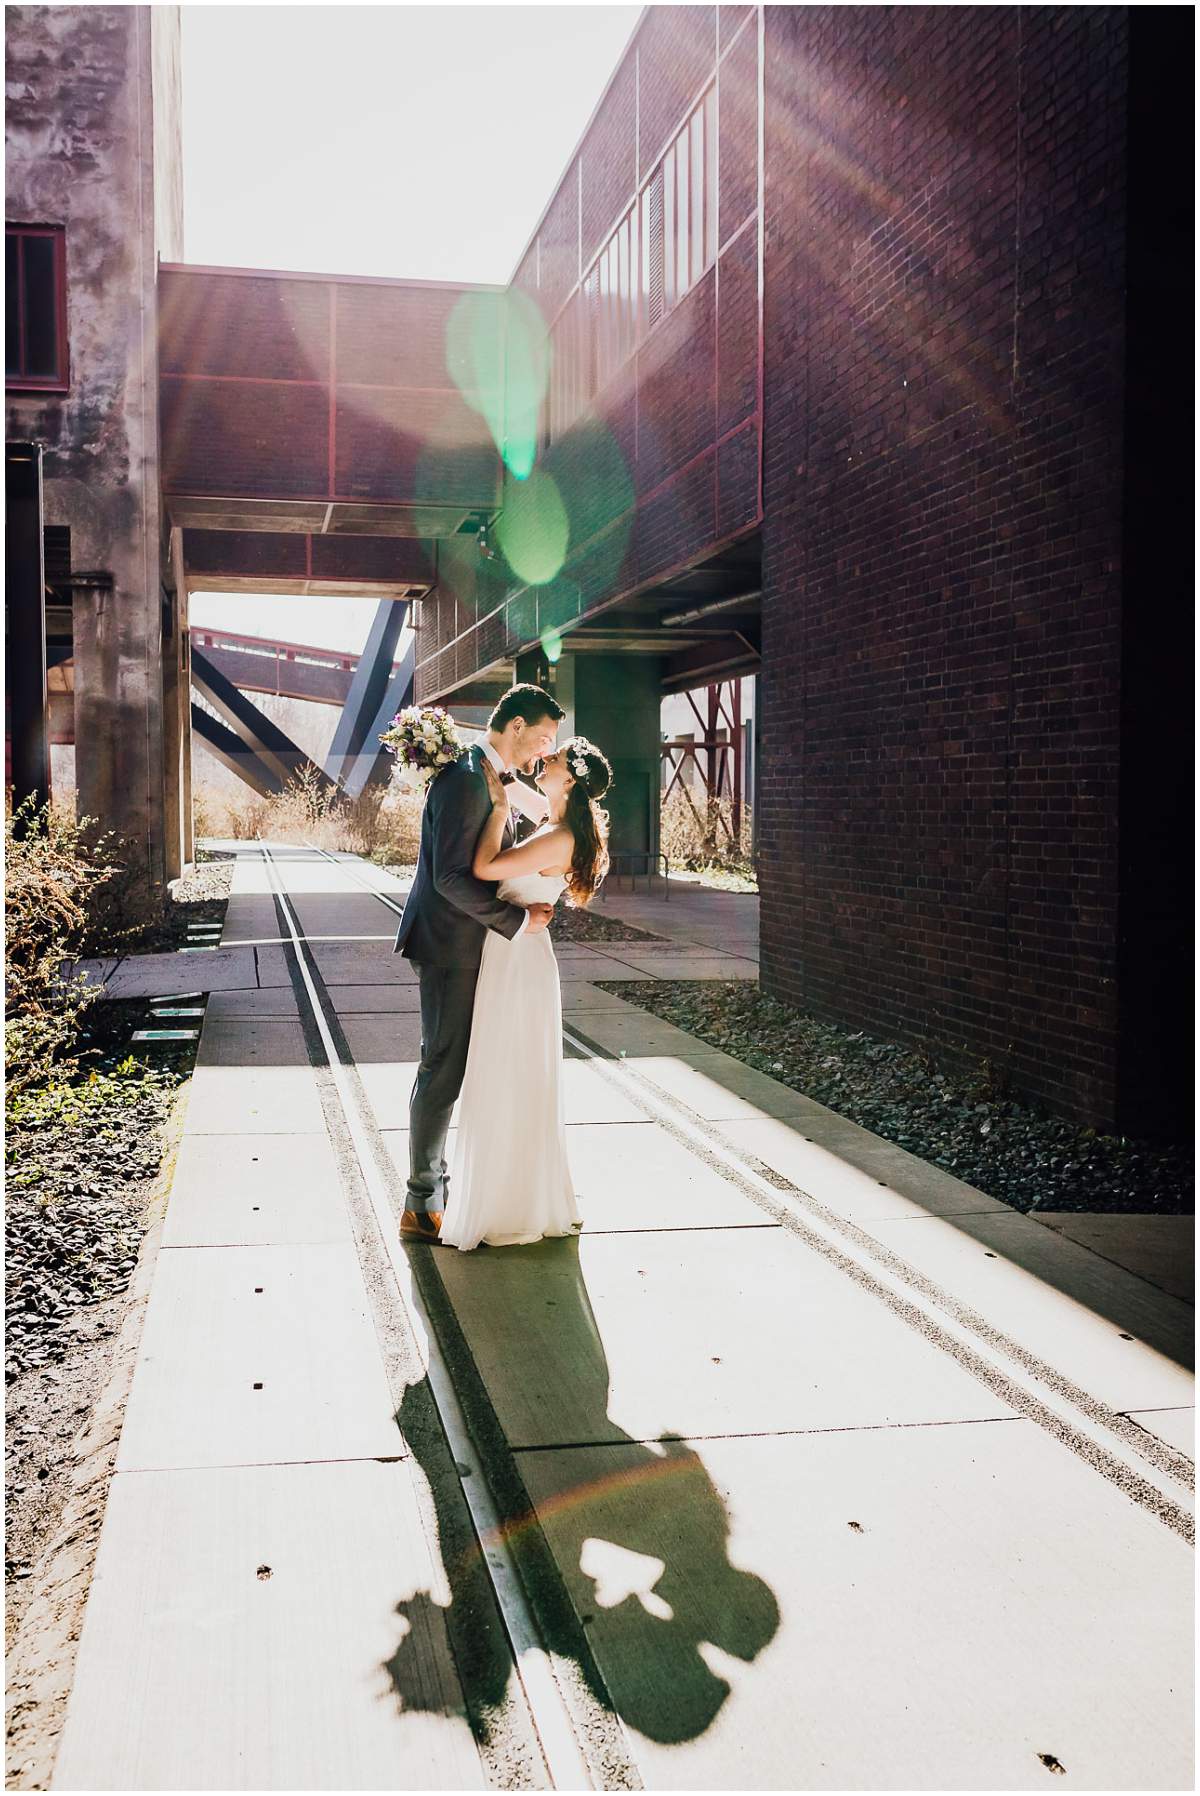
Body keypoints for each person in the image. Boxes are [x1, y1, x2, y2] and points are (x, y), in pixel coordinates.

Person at [393, 683, 565, 1240]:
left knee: (455, 1064)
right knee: (442, 1066)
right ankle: (421, 1204)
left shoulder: (493, 778)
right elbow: (448, 879)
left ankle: (437, 1187)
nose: (543, 749)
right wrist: (516, 922)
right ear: (515, 727)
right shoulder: (469, 779)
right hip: (449, 944)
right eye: (541, 737)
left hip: (472, 946)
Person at [439, 734, 613, 1250]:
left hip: (518, 960)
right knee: (509, 1071)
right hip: (516, 953)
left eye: (555, 758)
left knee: (509, 1074)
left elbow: (485, 869)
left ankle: (509, 1206)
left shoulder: (559, 836)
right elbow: (513, 785)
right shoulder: (553, 818)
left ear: (572, 779)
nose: (546, 758)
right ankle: (513, 1193)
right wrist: (475, 762)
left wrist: (494, 813)